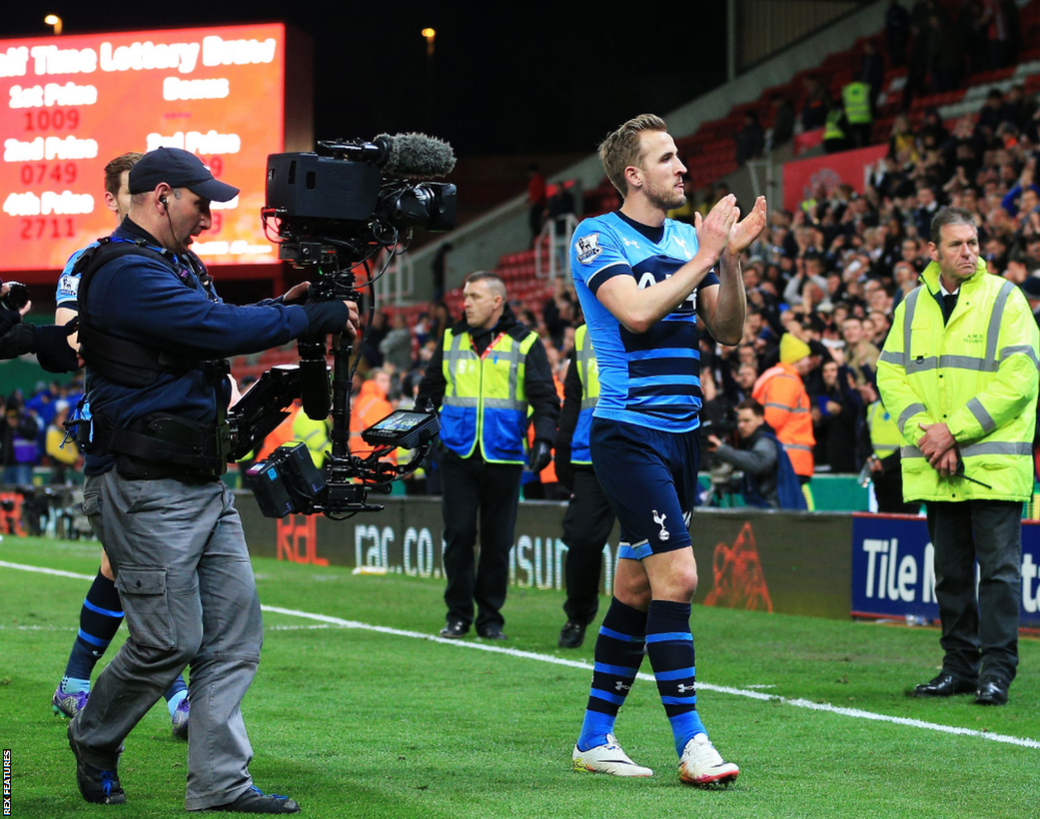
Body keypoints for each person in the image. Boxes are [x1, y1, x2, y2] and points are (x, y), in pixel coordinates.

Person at [66, 146, 359, 812]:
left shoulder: (177, 262)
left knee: (233, 633)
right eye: (201, 203)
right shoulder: (119, 270)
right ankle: (94, 733)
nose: (207, 218)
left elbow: (213, 319)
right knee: (168, 639)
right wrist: (307, 317)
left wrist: (282, 303)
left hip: (200, 478)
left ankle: (221, 784)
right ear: (161, 195)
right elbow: (208, 327)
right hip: (143, 484)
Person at [568, 113, 766, 786]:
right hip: (627, 433)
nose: (683, 169)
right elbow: (636, 313)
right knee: (677, 578)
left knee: (633, 586)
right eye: (668, 158)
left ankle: (595, 737)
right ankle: (693, 742)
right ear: (633, 174)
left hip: (681, 437)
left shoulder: (688, 236)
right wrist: (707, 255)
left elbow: (730, 328)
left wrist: (728, 259)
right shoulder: (596, 236)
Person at [49, 151, 194, 739]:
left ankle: (77, 683)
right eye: (129, 189)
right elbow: (68, 334)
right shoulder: (92, 262)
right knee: (141, 564)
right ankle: (172, 692)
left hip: (179, 432)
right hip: (120, 429)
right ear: (114, 199)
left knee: (143, 564)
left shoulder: (179, 262)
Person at [877, 207, 1039, 707]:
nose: (969, 252)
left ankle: (997, 672)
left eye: (973, 242)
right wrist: (931, 435)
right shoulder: (910, 307)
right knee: (949, 573)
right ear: (933, 252)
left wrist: (953, 432)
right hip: (937, 461)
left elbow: (1020, 378)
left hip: (990, 466)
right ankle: (959, 667)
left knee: (999, 574)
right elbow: (891, 375)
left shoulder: (1006, 299)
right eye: (956, 245)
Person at [417, 271, 558, 640]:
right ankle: (458, 614)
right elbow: (428, 394)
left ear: (498, 302)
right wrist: (422, 436)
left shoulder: (526, 343)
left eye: (475, 296)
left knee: (497, 542)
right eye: (465, 296)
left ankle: (490, 616)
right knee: (459, 534)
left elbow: (545, 398)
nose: (465, 303)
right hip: (457, 454)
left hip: (506, 455)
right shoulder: (450, 339)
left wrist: (544, 439)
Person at [553, 324, 615, 648]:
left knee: (650, 544)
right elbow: (574, 396)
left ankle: (647, 624)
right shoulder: (582, 333)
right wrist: (562, 445)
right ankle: (577, 615)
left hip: (643, 449)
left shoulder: (653, 312)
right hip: (590, 452)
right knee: (581, 539)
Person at [706, 399, 806, 510]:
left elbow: (758, 463)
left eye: (747, 421)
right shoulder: (754, 442)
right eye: (739, 421)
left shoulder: (765, 442)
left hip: (777, 509)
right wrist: (730, 484)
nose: (741, 426)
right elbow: (758, 481)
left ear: (760, 420)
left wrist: (722, 450)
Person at [752, 334, 816, 507]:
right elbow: (774, 420)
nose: (809, 361)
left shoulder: (782, 378)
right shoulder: (786, 380)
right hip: (789, 461)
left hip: (788, 460)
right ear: (796, 359)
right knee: (797, 514)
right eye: (806, 357)